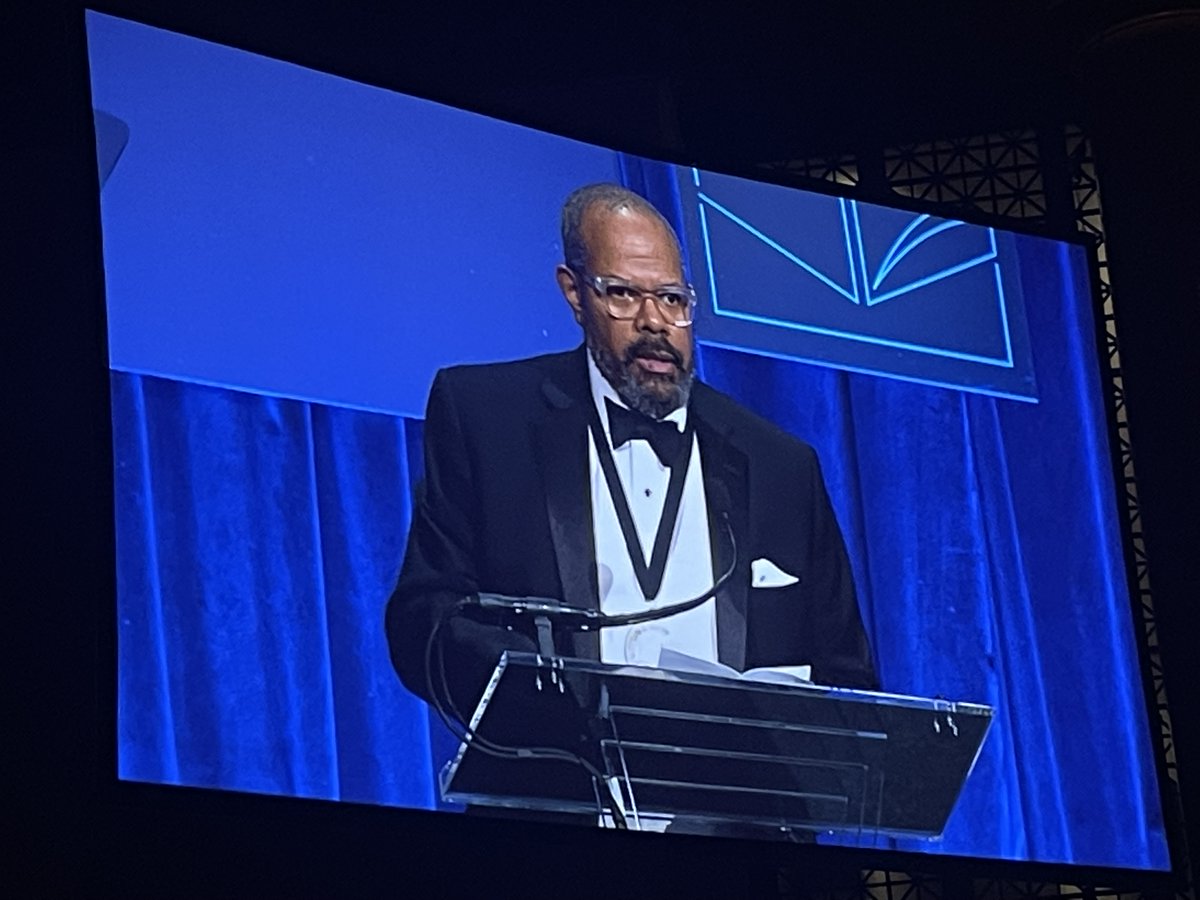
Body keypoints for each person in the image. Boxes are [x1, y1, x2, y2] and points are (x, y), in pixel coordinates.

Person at [386, 182, 876, 721]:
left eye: (672, 299)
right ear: (574, 293)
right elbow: (424, 621)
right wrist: (544, 687)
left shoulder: (780, 465)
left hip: (735, 800)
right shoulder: (486, 417)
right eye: (623, 294)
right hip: (550, 790)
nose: (655, 323)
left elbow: (846, 680)